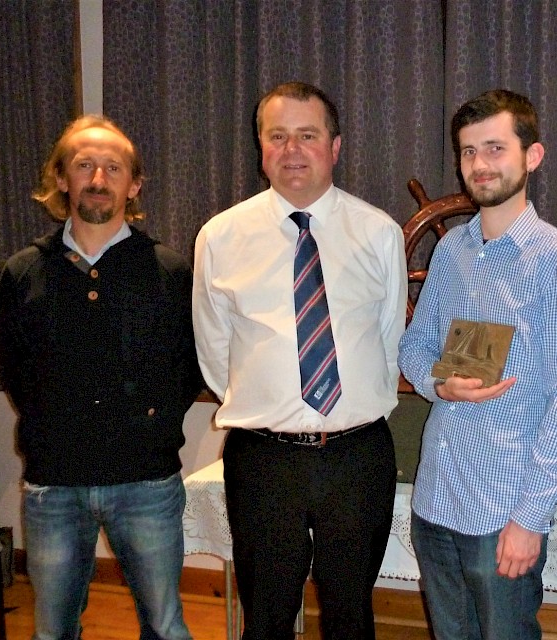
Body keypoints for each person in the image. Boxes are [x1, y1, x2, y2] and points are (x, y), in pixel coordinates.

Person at [192, 82, 406, 639]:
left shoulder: (379, 233)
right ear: (261, 147)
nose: (292, 150)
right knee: (265, 617)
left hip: (356, 457)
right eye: (277, 136)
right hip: (264, 460)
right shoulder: (220, 236)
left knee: (350, 616)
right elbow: (215, 352)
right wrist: (273, 405)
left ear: (335, 147)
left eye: (307, 136)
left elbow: (388, 340)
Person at [0, 115, 201, 640]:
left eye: (113, 167)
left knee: (166, 626)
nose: (98, 178)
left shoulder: (170, 270)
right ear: (61, 178)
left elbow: (189, 366)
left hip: (147, 480)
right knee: (53, 631)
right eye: (84, 164)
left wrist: (150, 427)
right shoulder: (22, 272)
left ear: (133, 185)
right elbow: (17, 372)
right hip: (53, 484)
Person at [398, 89, 557, 639]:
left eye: (494, 148)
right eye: (467, 152)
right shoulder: (451, 251)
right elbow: (414, 350)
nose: (480, 165)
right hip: (436, 496)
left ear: (532, 156)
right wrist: (444, 387)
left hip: (502, 509)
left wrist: (530, 518)